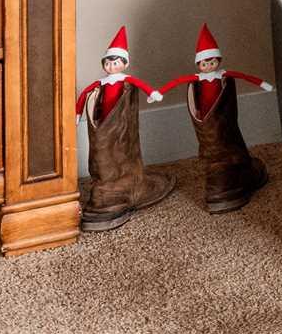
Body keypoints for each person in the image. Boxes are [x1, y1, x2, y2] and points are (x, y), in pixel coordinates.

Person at [160, 25, 267, 213]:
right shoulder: (199, 79)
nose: (208, 66)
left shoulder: (221, 77)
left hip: (217, 175)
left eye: (211, 62)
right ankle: (232, 175)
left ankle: (217, 178)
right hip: (236, 169)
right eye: (204, 63)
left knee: (216, 132)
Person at [74, 26, 173, 229]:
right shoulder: (102, 84)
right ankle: (123, 190)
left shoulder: (124, 82)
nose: (111, 65)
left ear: (123, 63)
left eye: (115, 61)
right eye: (108, 62)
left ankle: (105, 195)